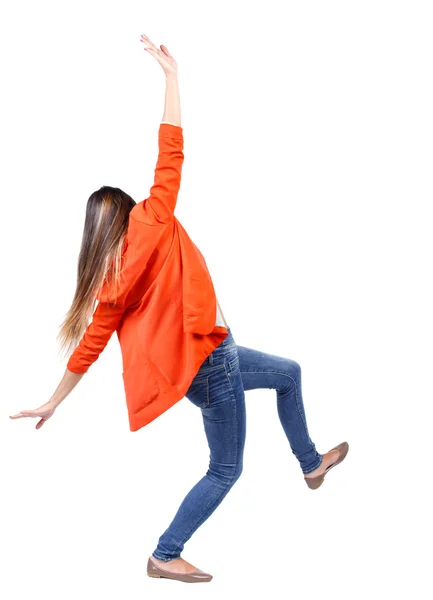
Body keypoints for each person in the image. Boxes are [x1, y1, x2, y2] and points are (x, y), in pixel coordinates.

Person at [10, 34, 349, 584]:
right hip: (213, 363)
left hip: (202, 364)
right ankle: (165, 553)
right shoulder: (153, 218)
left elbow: (89, 349)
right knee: (226, 468)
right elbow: (171, 148)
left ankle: (311, 464)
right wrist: (171, 77)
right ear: (126, 211)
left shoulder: (107, 285)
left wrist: (53, 401)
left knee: (289, 373)